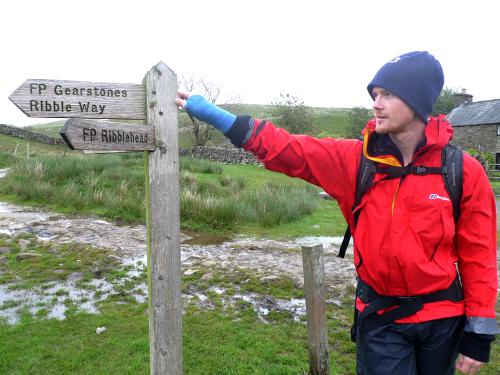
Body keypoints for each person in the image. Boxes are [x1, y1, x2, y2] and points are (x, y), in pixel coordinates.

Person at [175, 51, 498, 375]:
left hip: (442, 321)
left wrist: (479, 334)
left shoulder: (461, 171)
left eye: (387, 94)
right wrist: (214, 114)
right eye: (375, 95)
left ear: (416, 102)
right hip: (382, 319)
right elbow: (287, 149)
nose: (376, 103)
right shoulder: (355, 161)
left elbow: (479, 255)